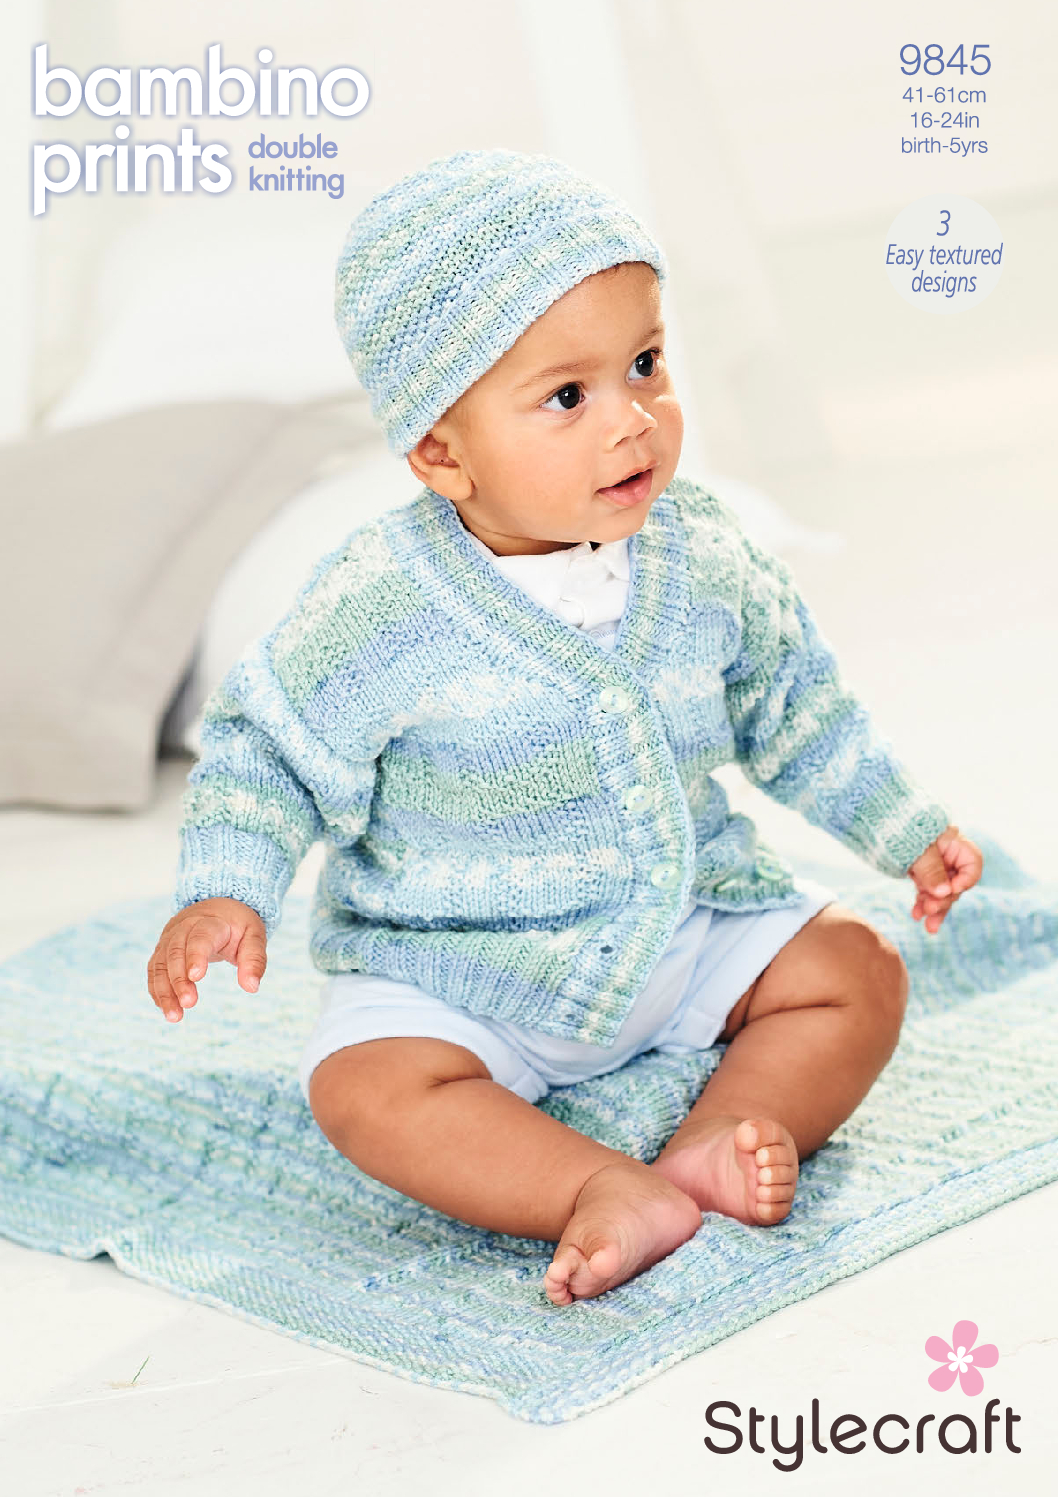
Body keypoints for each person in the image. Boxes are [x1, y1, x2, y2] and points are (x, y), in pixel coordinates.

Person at [147, 149, 983, 1307]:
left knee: (857, 969)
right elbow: (268, 749)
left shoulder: (702, 555)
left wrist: (901, 827)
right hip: (459, 970)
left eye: (645, 364)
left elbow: (795, 707)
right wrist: (227, 888)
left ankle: (723, 1133)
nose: (631, 421)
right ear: (442, 453)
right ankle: (594, 1186)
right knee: (363, 1088)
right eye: (567, 397)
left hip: (682, 927)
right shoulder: (380, 606)